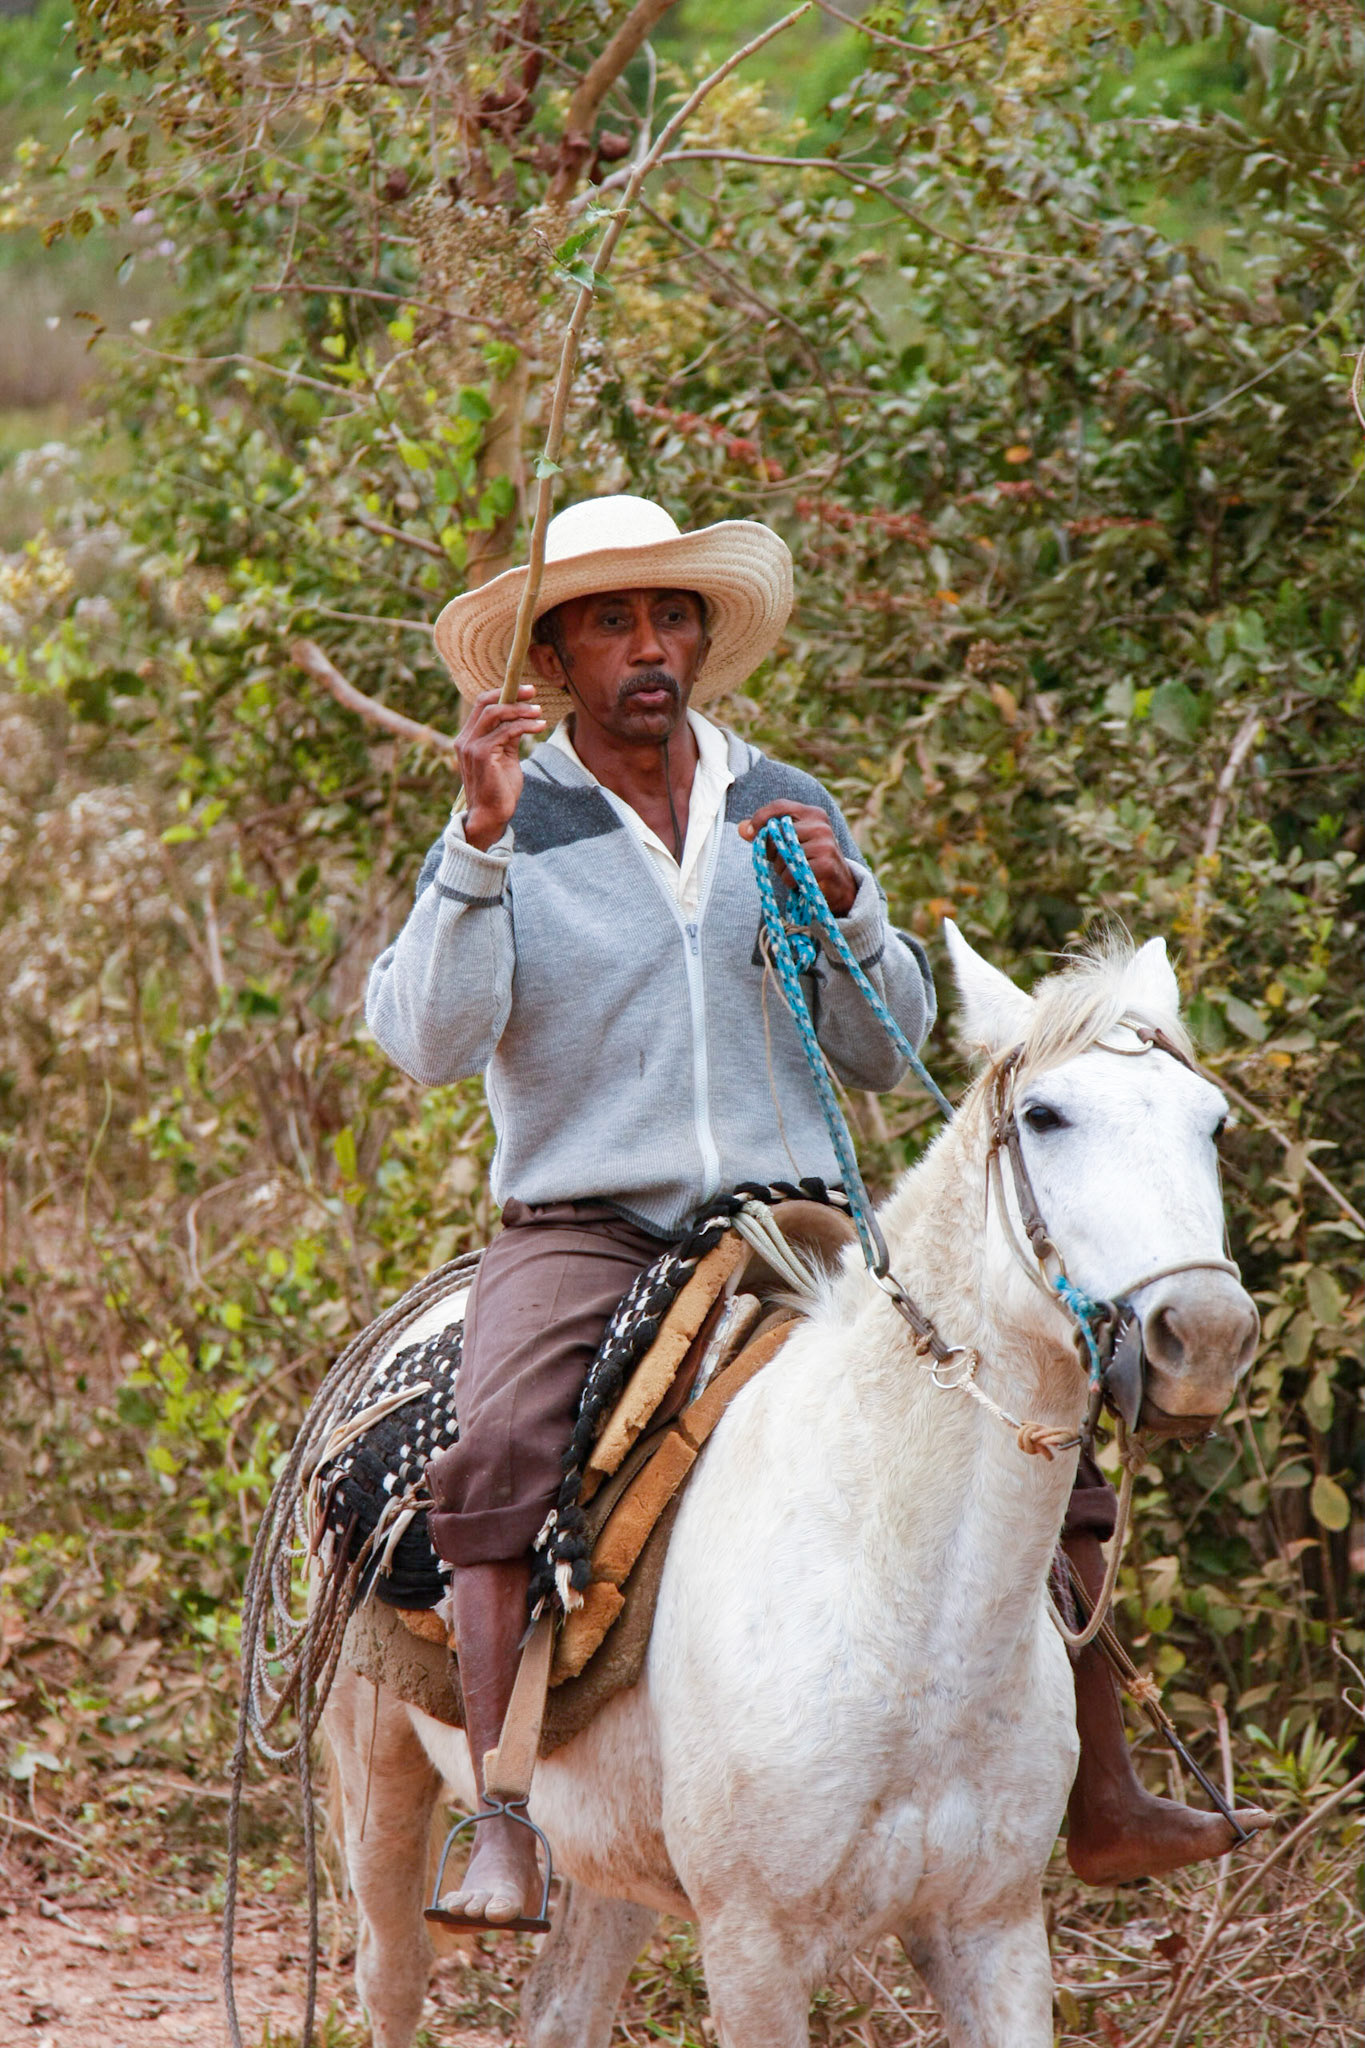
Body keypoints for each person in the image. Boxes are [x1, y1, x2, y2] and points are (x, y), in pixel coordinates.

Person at [366, 494, 1255, 1926]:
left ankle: (1098, 1785)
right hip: (588, 1226)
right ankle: (508, 1817)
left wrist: (846, 909)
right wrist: (472, 848)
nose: (648, 647)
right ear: (552, 658)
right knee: (502, 1444)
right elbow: (426, 1038)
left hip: (801, 1220)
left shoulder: (783, 799)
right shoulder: (509, 822)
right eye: (609, 623)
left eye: (669, 618)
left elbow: (878, 1040)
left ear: (704, 640)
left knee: (1038, 1407)